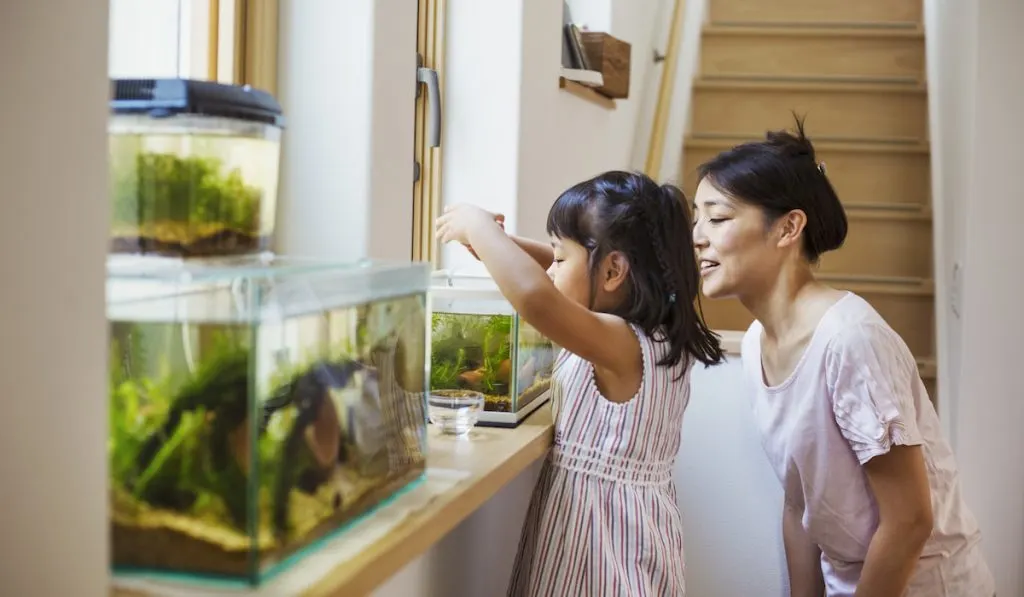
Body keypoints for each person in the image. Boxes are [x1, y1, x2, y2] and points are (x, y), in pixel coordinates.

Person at [691, 117, 995, 597]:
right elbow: (798, 505)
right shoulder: (756, 343)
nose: (698, 236)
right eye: (696, 218)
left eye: (718, 218)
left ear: (789, 227)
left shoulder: (850, 339)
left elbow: (911, 520)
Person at [436, 170, 724, 596]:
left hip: (602, 552)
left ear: (612, 271)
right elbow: (557, 276)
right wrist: (499, 246)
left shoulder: (621, 343)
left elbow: (538, 299)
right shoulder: (655, 335)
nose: (550, 268)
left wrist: (479, 225)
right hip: (621, 535)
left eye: (559, 257)